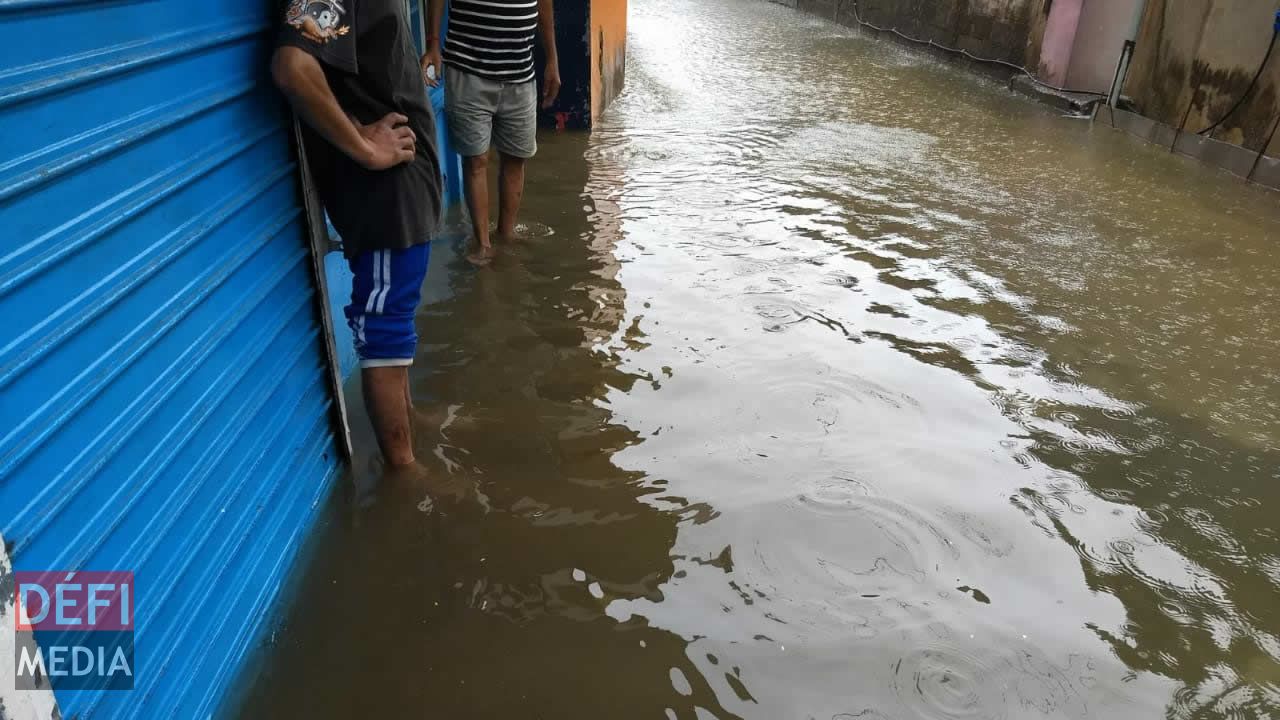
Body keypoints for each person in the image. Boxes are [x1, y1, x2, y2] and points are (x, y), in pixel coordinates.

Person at [272, 0, 442, 479]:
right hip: (386, 201)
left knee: (398, 321)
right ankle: (406, 476)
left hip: (405, 193)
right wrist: (366, 146)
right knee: (385, 334)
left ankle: (407, 419)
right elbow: (293, 67)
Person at [422, 0, 561, 265]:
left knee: (516, 158)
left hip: (520, 72)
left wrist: (552, 59)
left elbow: (544, 3)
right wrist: (432, 44)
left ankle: (507, 235)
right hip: (467, 69)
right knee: (475, 160)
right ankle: (483, 244)